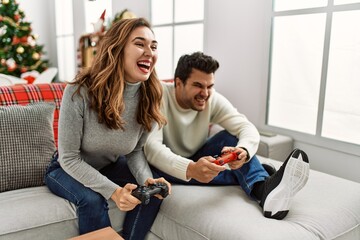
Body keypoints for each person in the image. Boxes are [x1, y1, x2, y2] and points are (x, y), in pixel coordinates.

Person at [44, 18, 171, 240]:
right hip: (64, 168)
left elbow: (134, 151)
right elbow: (69, 158)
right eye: (140, 44)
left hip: (108, 165)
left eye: (153, 46)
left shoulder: (151, 96)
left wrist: (146, 181)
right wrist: (114, 192)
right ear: (117, 49)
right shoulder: (79, 91)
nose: (149, 52)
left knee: (152, 191)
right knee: (92, 199)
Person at [144, 51, 310, 220]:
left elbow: (245, 127)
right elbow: (152, 148)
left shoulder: (211, 99)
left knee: (229, 138)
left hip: (198, 153)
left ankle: (263, 189)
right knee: (161, 170)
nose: (205, 93)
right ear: (178, 83)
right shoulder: (159, 95)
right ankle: (263, 176)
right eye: (198, 85)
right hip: (166, 163)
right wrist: (191, 169)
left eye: (209, 86)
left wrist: (243, 151)